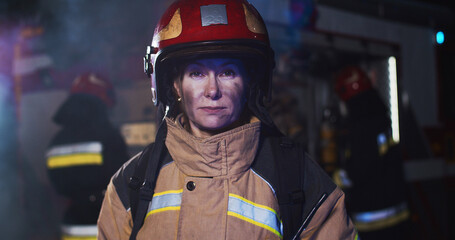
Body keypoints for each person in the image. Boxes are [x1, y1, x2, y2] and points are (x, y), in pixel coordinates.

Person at [98, 0, 357, 239]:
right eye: (197, 73)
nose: (212, 91)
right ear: (176, 86)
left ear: (249, 83)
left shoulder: (298, 178)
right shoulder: (131, 183)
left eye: (228, 72)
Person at [46, 72, 129, 240]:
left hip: (72, 220)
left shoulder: (57, 140)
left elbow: (56, 185)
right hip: (105, 218)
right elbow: (124, 177)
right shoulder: (107, 134)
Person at [334, 66, 410, 240]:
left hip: (373, 220)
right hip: (396, 215)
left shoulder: (361, 125)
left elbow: (360, 170)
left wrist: (334, 178)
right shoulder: (379, 117)